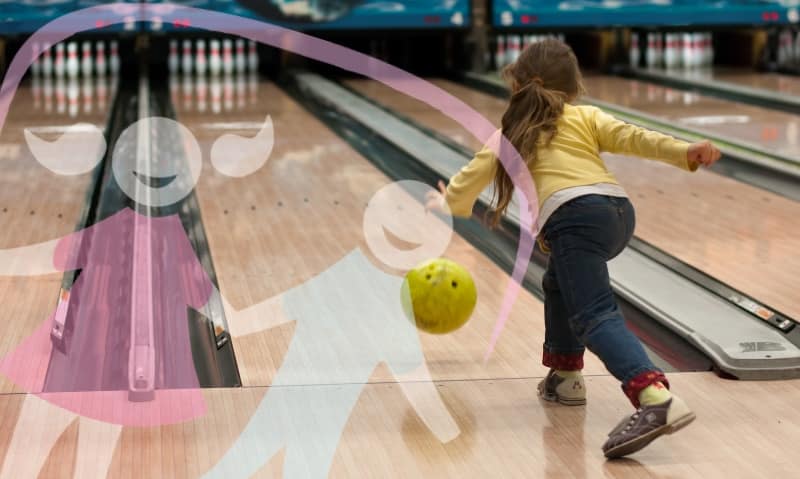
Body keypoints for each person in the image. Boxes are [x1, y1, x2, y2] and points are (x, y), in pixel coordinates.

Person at [426, 38, 721, 458]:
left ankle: (655, 398)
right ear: (574, 87)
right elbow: (634, 138)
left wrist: (446, 203)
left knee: (595, 313)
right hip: (616, 214)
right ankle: (565, 376)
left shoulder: (509, 133)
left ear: (519, 85)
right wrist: (684, 152)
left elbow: (469, 181)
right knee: (560, 284)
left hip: (574, 218)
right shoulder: (586, 116)